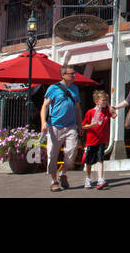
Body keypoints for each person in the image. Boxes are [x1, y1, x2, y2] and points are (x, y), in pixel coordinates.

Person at [41, 65, 83, 193]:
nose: (74, 76)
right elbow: (45, 106)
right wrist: (43, 122)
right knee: (52, 154)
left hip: (71, 126)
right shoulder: (53, 89)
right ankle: (54, 181)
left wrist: (80, 125)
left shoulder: (75, 89)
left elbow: (77, 108)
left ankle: (63, 173)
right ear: (63, 75)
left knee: (72, 152)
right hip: (55, 126)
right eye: (71, 74)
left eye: (74, 73)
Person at [81, 89, 115, 189]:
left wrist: (108, 105)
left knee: (100, 160)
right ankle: (88, 179)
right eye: (103, 100)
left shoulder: (106, 111)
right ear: (97, 101)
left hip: (101, 141)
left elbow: (114, 115)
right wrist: (91, 125)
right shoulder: (90, 112)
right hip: (91, 141)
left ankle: (100, 179)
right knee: (89, 162)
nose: (104, 102)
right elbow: (83, 126)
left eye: (105, 100)